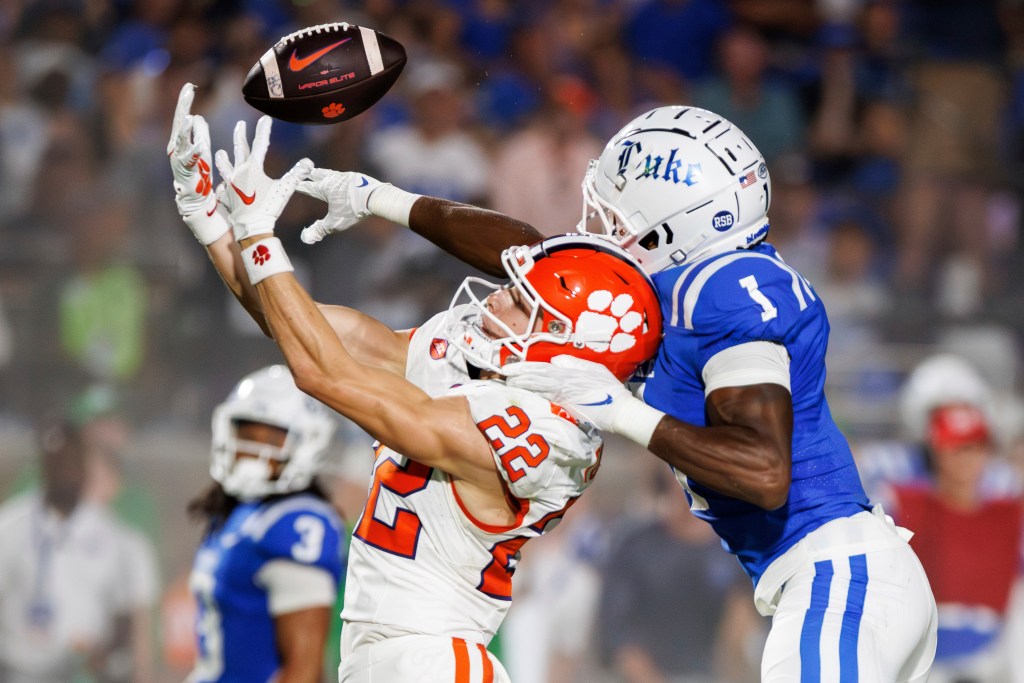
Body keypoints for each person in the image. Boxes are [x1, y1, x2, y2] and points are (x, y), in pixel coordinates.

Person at [288, 104, 938, 681]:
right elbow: (532, 257)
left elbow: (766, 472)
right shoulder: (686, 284)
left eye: (622, 216)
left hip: (838, 576)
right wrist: (380, 199)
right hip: (835, 578)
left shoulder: (726, 290)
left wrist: (621, 409)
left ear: (675, 227)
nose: (601, 226)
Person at [167, 83, 662, 682]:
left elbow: (324, 372)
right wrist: (213, 223)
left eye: (522, 301)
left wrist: (261, 238)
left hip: (434, 658)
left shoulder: (543, 435)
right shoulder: (481, 366)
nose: (499, 297)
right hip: (394, 656)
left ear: (569, 343)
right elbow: (310, 332)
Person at [186, 364, 346, 683]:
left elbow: (304, 671)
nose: (251, 451)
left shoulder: (297, 523)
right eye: (245, 434)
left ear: (307, 444)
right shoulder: (239, 511)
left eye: (270, 439)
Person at [0, 422, 140, 683]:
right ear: (43, 464)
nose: (65, 471)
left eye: (72, 461)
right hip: (19, 672)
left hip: (83, 674)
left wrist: (105, 653)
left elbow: (124, 613)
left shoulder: (111, 534)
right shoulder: (9, 527)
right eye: (56, 461)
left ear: (83, 466)